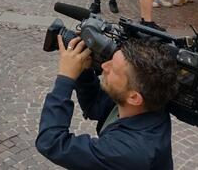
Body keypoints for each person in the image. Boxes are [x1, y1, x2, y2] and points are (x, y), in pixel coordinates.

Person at [36, 35, 177, 169]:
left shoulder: (126, 152)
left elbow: (51, 142)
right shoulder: (148, 101)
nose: (104, 66)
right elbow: (95, 106)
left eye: (114, 69)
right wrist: (84, 71)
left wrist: (65, 79)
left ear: (134, 98)